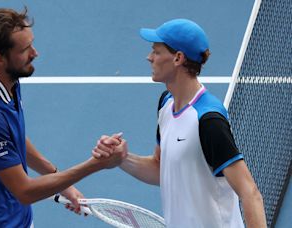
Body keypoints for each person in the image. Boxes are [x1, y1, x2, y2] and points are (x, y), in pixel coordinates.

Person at [0, 7, 125, 227]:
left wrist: (62, 182)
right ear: (0, 59)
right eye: (25, 49)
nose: (35, 53)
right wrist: (96, 164)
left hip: (17, 219)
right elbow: (25, 191)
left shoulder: (7, 82)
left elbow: (14, 140)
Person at [92, 19, 267, 227]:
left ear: (177, 58)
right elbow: (161, 169)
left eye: (156, 51)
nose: (149, 58)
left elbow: (250, 193)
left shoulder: (208, 120)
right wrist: (122, 159)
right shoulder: (166, 104)